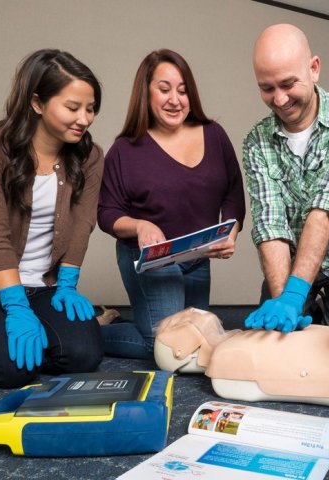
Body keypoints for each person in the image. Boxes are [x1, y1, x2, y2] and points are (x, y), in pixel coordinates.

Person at [0, 49, 105, 388]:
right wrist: (17, 307)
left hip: (44, 285)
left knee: (84, 356)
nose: (85, 119)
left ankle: (12, 336)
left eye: (90, 109)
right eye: (73, 108)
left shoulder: (89, 155)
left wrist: (66, 284)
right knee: (10, 370)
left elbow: (82, 223)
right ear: (37, 103)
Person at [97, 49, 246, 359]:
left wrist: (231, 231)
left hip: (197, 257)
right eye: (164, 89)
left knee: (197, 343)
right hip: (152, 260)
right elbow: (106, 212)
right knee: (167, 349)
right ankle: (90, 331)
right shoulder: (125, 150)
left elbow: (233, 192)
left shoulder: (214, 134)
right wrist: (140, 225)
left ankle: (117, 321)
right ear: (146, 92)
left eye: (183, 90)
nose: (175, 99)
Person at [242, 24, 329, 333]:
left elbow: (324, 207)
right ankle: (304, 308)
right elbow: (270, 223)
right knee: (276, 338)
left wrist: (294, 297)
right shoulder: (256, 141)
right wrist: (283, 299)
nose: (279, 99)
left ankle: (315, 307)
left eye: (288, 84)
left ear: (314, 69)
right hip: (291, 262)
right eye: (267, 88)